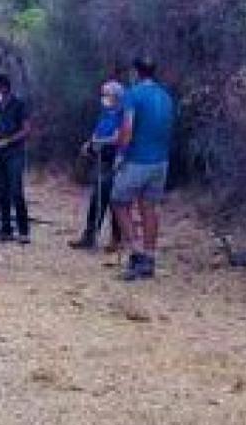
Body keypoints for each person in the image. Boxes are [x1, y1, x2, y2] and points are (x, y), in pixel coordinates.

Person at [111, 57, 175, 281]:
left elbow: (127, 128)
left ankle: (136, 252)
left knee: (119, 202)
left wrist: (120, 154)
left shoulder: (133, 94)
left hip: (138, 159)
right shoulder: (165, 96)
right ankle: (150, 256)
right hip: (161, 161)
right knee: (150, 207)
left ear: (136, 72)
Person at [69, 79, 125, 251]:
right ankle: (90, 236)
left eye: (106, 94)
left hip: (115, 160)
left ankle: (116, 239)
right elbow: (97, 131)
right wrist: (90, 143)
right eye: (103, 94)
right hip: (101, 159)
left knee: (112, 200)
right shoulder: (105, 112)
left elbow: (118, 137)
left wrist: (99, 141)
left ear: (115, 96)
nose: (103, 97)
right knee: (97, 198)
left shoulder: (122, 113)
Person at [0, 73, 32, 244]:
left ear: (5, 88)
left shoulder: (19, 105)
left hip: (15, 154)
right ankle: (5, 229)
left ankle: (23, 230)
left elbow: (27, 129)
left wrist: (8, 141)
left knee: (16, 191)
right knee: (1, 192)